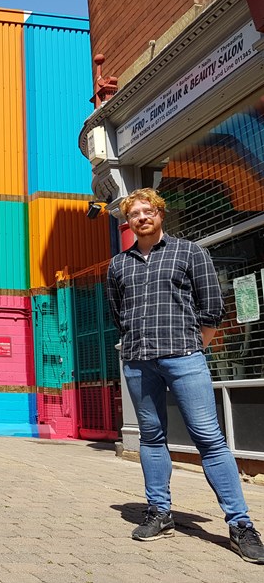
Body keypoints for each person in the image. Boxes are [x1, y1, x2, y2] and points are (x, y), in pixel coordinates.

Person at [106, 188, 264, 563]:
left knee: (208, 437)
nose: (141, 217)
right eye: (134, 214)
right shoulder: (118, 265)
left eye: (148, 211)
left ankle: (241, 525)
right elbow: (118, 313)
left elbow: (211, 308)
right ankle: (159, 512)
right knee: (152, 436)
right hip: (138, 360)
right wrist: (132, 345)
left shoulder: (190, 252)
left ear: (161, 214)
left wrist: (194, 348)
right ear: (128, 222)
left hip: (185, 357)